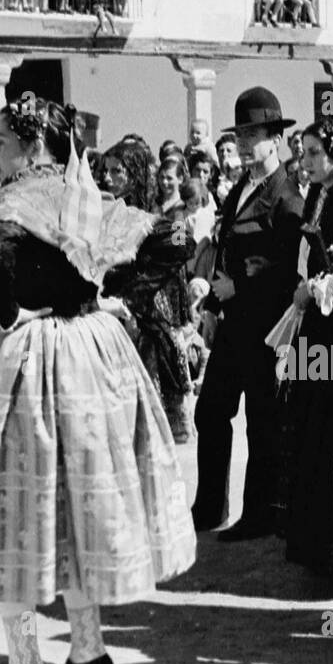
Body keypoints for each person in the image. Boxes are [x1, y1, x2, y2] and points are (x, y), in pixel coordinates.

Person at [0, 98, 195, 664]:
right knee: (80, 507)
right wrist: (104, 297)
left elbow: (1, 287)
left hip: (28, 361)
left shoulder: (10, 203)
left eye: (1, 142)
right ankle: (89, 655)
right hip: (92, 356)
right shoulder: (86, 197)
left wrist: (10, 304)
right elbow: (172, 240)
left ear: (31, 148)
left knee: (15, 513)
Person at [192, 87, 304, 541]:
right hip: (234, 321)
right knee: (211, 411)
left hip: (263, 324)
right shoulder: (242, 187)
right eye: (239, 134)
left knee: (262, 421)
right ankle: (209, 506)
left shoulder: (287, 194)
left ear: (275, 138)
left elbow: (287, 268)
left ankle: (260, 514)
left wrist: (241, 287)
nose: (242, 143)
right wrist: (217, 302)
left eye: (253, 134)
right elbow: (227, 250)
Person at [280, 112, 333, 580]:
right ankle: (312, 542)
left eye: (315, 153)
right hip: (312, 326)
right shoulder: (316, 196)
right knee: (308, 426)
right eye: (304, 153)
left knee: (332, 431)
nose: (306, 162)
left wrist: (315, 288)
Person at [101, 140, 196, 444]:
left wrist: (142, 281)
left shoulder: (164, 212)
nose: (108, 178)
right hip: (112, 310)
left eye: (117, 171)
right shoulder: (109, 209)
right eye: (106, 171)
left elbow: (183, 245)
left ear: (135, 173)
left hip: (147, 312)